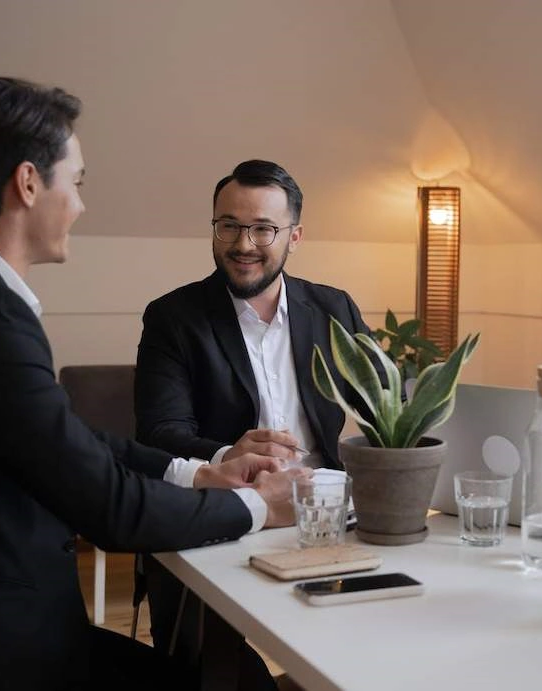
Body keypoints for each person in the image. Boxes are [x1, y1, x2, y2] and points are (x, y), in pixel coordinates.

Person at [0, 77, 307, 691]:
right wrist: (256, 506)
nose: (81, 206)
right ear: (29, 184)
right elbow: (109, 508)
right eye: (76, 182)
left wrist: (197, 474)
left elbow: (64, 436)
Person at [134, 159, 372, 681]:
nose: (244, 243)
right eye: (230, 225)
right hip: (219, 513)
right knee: (213, 669)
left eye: (263, 228)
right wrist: (228, 455)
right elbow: (158, 432)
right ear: (214, 227)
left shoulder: (334, 308)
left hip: (326, 514)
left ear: (295, 236)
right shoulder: (174, 317)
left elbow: (384, 409)